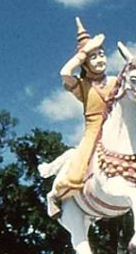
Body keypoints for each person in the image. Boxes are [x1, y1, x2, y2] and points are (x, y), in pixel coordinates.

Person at [51, 17, 119, 208]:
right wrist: (85, 51)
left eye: (102, 54)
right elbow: (64, 72)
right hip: (94, 132)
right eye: (94, 57)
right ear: (85, 63)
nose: (100, 60)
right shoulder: (82, 86)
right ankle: (57, 196)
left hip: (117, 127)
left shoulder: (115, 81)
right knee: (77, 168)